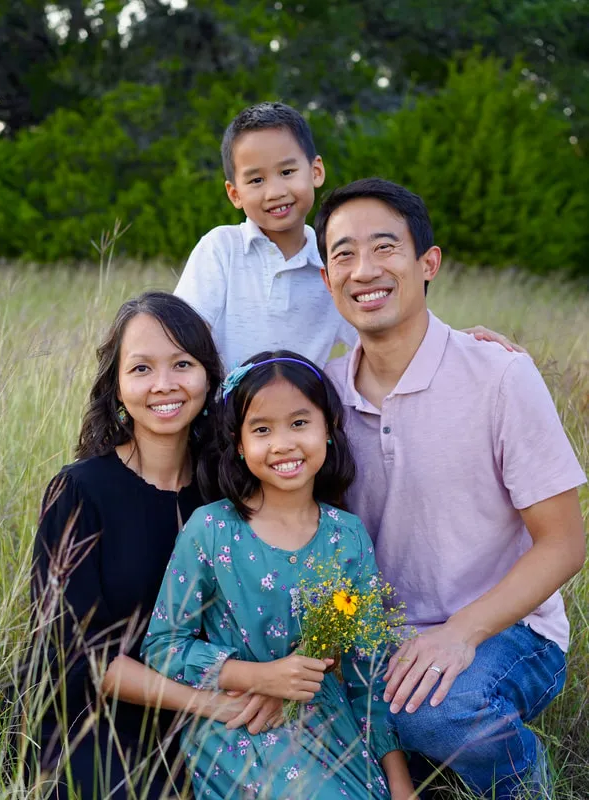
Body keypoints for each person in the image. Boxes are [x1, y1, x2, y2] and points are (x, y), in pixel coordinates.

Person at [313, 178, 587, 799]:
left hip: (506, 632)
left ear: (427, 262)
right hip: (374, 636)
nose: (364, 271)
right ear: (328, 281)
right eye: (343, 255)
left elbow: (565, 544)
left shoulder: (499, 376)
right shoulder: (319, 398)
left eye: (385, 248)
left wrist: (460, 632)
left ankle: (523, 780)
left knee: (432, 710)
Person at [22, 292, 282, 799]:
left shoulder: (230, 492)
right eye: (141, 368)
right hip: (95, 721)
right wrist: (208, 705)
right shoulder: (80, 491)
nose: (163, 385)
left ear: (208, 378)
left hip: (218, 709)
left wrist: (264, 689)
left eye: (182, 364)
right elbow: (80, 658)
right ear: (117, 387)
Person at [141, 352, 415, 800]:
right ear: (239, 443)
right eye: (262, 429)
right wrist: (255, 675)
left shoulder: (347, 537)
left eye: (300, 423)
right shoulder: (212, 530)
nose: (283, 443)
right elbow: (163, 647)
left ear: (328, 428)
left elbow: (368, 674)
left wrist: (400, 785)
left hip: (328, 721)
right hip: (237, 722)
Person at [174, 101, 516, 371]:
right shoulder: (221, 248)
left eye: (287, 171)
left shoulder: (336, 268)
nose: (275, 191)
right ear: (234, 194)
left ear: (316, 171)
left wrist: (459, 341)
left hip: (297, 431)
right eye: (256, 180)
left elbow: (392, 336)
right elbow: (181, 336)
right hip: (221, 426)